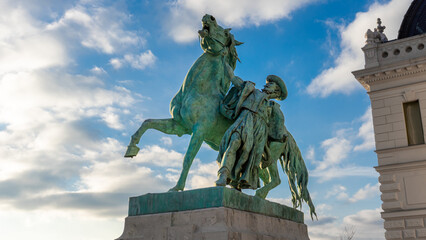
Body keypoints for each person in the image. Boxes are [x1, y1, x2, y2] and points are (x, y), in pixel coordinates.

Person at [215, 66, 287, 190]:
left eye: (271, 85)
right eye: (268, 83)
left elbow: (277, 128)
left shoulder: (272, 107)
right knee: (234, 142)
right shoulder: (250, 90)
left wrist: (278, 139)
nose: (267, 85)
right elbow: (234, 79)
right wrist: (224, 62)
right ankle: (223, 174)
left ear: (276, 92)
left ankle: (236, 182)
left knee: (247, 154)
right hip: (244, 120)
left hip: (259, 130)